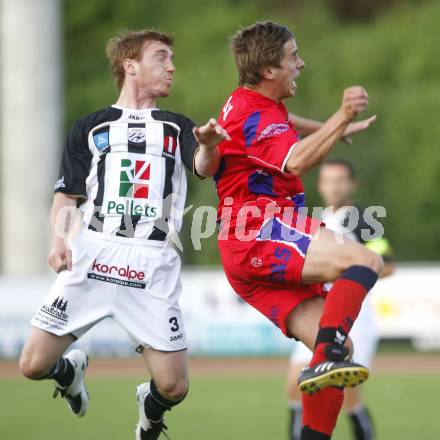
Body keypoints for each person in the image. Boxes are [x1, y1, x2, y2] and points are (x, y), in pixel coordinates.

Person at [18, 29, 228, 440]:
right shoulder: (91, 128)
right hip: (93, 256)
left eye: (171, 59)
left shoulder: (176, 126)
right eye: (161, 57)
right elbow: (67, 193)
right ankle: (70, 371)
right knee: (32, 365)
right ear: (130, 66)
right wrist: (58, 241)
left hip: (151, 264)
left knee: (174, 386)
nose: (171, 67)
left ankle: (149, 411)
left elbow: (202, 166)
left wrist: (209, 145)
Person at [214, 21, 384, 439]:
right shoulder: (255, 114)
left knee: (341, 351)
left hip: (244, 253)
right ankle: (327, 352)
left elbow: (284, 122)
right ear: (270, 69)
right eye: (293, 57)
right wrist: (341, 116)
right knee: (365, 259)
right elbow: (294, 162)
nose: (300, 63)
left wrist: (334, 128)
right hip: (260, 229)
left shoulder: (249, 104)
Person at [286, 160, 395, 440]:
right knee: (296, 384)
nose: (333, 186)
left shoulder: (360, 217)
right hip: (319, 311)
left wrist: (344, 277)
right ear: (320, 184)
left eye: (339, 180)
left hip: (352, 316)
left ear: (351, 184)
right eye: (327, 180)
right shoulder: (317, 218)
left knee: (348, 396)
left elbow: (387, 263)